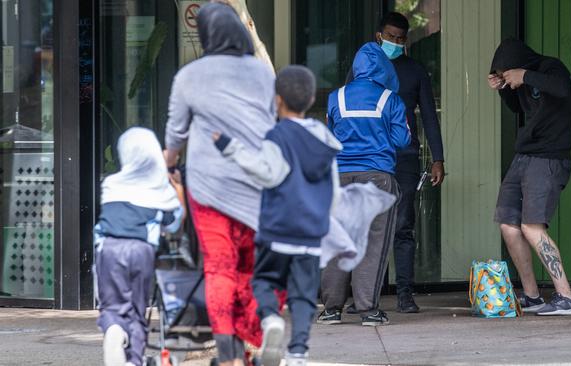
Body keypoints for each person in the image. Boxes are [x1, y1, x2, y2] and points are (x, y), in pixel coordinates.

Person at [163, 3, 278, 365]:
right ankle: (252, 345)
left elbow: (175, 135)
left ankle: (227, 353)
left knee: (219, 267)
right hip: (255, 186)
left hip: (209, 189)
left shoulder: (190, 75)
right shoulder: (262, 75)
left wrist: (168, 167)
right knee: (248, 266)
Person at [213, 65, 342, 366]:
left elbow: (266, 172)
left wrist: (229, 147)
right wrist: (322, 220)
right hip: (311, 234)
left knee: (264, 281)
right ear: (311, 100)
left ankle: (271, 319)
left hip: (278, 230)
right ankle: (298, 351)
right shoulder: (324, 138)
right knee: (304, 295)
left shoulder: (278, 136)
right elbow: (333, 190)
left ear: (278, 100)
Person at [488, 38, 571, 316]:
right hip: (524, 157)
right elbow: (518, 109)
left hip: (549, 157)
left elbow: (562, 89)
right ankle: (532, 296)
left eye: (507, 73)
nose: (510, 79)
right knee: (508, 224)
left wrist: (525, 76)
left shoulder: (551, 67)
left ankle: (567, 297)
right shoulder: (520, 82)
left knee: (532, 227)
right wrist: (504, 89)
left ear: (520, 65)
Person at [319, 42, 411, 326]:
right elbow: (402, 141)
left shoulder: (336, 97)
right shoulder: (390, 100)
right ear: (384, 67)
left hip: (340, 179)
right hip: (377, 179)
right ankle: (368, 309)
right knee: (373, 244)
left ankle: (331, 309)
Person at [95, 127, 184, 366]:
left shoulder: (111, 184)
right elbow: (175, 223)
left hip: (108, 247)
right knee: (137, 310)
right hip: (141, 249)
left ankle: (114, 328)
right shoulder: (159, 189)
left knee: (113, 307)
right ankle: (133, 360)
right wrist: (177, 188)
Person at [375, 12, 445, 313]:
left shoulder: (415, 71)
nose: (394, 42)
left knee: (403, 225)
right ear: (378, 36)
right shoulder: (364, 70)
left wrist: (438, 158)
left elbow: (429, 116)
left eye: (400, 38)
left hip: (405, 157)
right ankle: (367, 296)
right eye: (389, 36)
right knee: (368, 226)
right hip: (370, 157)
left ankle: (404, 293)